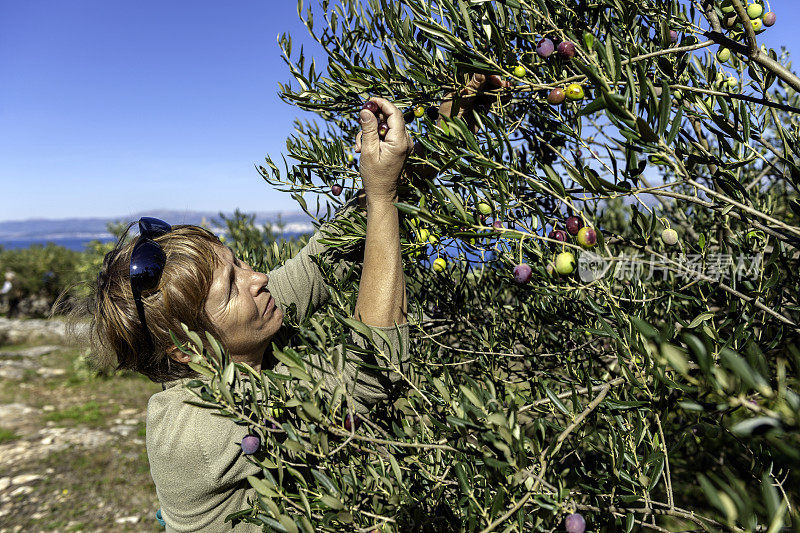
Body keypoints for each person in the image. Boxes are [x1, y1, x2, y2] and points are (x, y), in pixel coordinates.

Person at [83, 75, 508, 531]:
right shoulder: (196, 430)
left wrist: (451, 121)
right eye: (232, 286)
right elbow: (374, 370)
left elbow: (331, 256)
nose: (259, 278)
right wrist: (382, 196)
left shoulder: (242, 337)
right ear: (186, 349)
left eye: (240, 262)